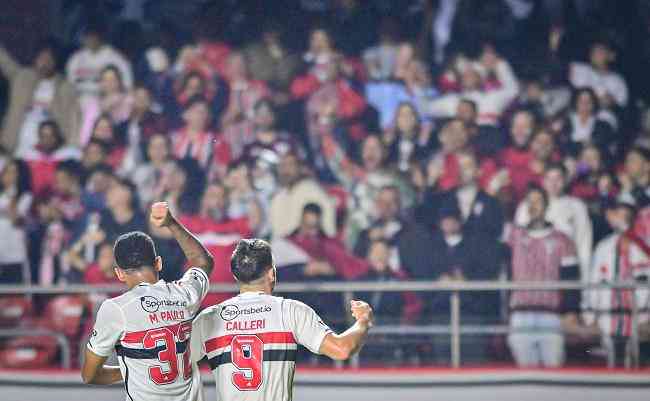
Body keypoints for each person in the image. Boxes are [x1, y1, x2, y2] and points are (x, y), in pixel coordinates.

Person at [191, 238, 374, 401]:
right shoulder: (290, 311)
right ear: (271, 273)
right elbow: (342, 349)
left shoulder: (210, 318)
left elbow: (169, 367)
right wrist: (363, 320)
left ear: (235, 276)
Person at [81, 202, 213, 401]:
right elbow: (203, 261)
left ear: (119, 273)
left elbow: (89, 375)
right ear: (158, 262)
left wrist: (131, 368)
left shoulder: (116, 309)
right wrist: (171, 223)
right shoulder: (184, 294)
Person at [506, 185, 581, 368]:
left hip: (551, 314)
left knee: (553, 371)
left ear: (547, 206)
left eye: (538, 201)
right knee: (524, 374)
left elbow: (571, 278)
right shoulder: (513, 236)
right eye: (529, 202)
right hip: (521, 313)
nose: (533, 206)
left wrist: (571, 311)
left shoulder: (563, 240)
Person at [0, 41, 80, 154]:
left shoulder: (65, 87)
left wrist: (72, 144)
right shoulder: (22, 76)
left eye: (49, 59)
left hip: (48, 141)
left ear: (55, 62)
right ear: (35, 59)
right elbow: (4, 62)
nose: (45, 63)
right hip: (19, 138)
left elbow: (73, 118)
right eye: (42, 58)